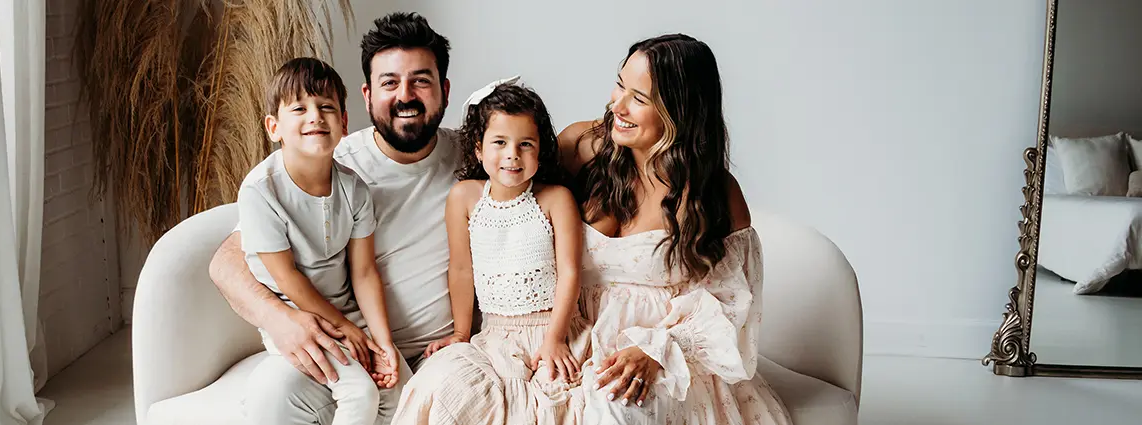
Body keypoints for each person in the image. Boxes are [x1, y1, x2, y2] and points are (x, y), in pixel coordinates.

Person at [392, 34, 794, 425]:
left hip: (651, 354)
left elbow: (731, 304)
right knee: (449, 390)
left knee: (616, 407)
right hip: (565, 333)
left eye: (639, 99)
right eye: (620, 85)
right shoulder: (581, 146)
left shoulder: (714, 192)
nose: (617, 105)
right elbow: (510, 196)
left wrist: (656, 351)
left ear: (680, 111)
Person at [207, 12, 463, 424]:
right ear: (367, 96)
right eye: (389, 82)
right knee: (276, 390)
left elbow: (552, 147)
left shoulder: (482, 156)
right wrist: (282, 320)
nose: (405, 95)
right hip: (337, 335)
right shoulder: (324, 159)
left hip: (433, 355)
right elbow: (226, 263)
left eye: (421, 80)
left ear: (444, 90)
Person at [394, 79, 590, 425]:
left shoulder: (556, 199)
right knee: (440, 386)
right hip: (495, 336)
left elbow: (570, 273)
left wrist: (555, 338)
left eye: (525, 144)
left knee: (543, 404)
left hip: (553, 328)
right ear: (479, 149)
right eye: (500, 142)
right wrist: (461, 334)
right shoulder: (464, 197)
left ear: (540, 150)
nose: (512, 154)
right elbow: (461, 270)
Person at [234, 56, 406, 425]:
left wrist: (383, 341)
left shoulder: (354, 189)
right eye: (300, 108)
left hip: (346, 310)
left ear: (344, 122)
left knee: (400, 385)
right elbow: (288, 279)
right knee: (360, 392)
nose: (315, 116)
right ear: (274, 127)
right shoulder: (260, 191)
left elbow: (364, 272)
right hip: (298, 315)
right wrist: (344, 329)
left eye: (326, 107)